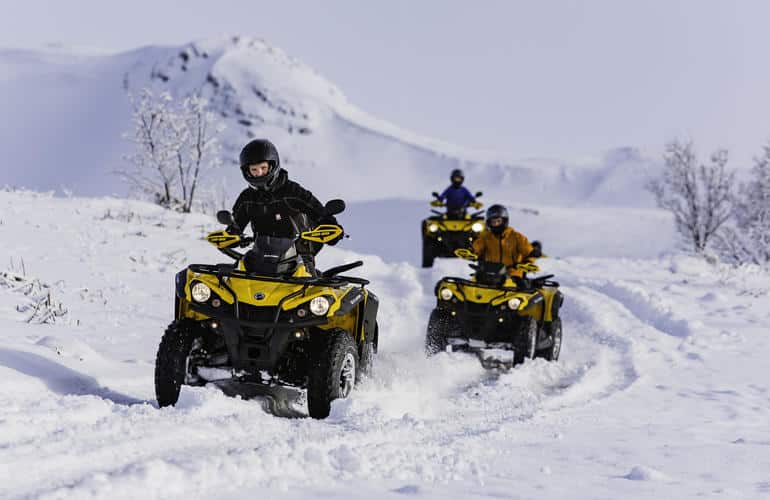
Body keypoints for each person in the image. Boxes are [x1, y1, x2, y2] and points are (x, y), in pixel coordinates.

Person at [228, 139, 341, 272]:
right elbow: (235, 226)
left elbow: (320, 213)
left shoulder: (293, 191)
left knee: (309, 289)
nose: (259, 173)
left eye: (263, 168)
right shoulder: (246, 199)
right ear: (247, 171)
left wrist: (332, 228)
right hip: (261, 258)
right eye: (254, 169)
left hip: (299, 258)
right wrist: (231, 236)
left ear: (272, 165)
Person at [471, 204, 537, 278]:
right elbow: (476, 249)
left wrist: (527, 263)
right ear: (489, 223)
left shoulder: (517, 237)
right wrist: (471, 251)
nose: (496, 224)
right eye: (493, 222)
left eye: (498, 221)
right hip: (489, 275)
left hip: (513, 276)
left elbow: (529, 253)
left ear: (504, 221)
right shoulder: (486, 237)